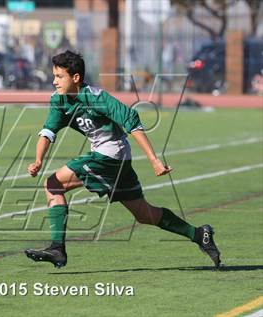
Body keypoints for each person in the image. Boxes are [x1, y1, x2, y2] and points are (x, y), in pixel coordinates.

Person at [24, 50, 221, 269]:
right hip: (116, 158)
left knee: (53, 185)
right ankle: (199, 234)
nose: (54, 81)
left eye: (60, 76)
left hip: (109, 155)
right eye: (54, 76)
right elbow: (48, 131)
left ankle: (57, 248)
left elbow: (131, 120)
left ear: (76, 78)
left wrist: (154, 160)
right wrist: (38, 159)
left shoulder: (97, 97)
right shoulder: (59, 100)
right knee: (145, 214)